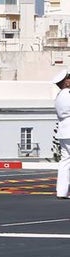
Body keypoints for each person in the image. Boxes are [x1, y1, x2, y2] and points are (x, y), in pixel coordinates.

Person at [55, 69, 70, 198]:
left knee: (65, 161)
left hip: (63, 131)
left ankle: (62, 191)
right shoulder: (68, 94)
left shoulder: (59, 95)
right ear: (66, 82)